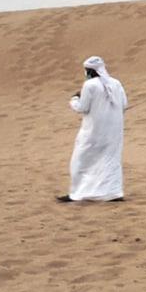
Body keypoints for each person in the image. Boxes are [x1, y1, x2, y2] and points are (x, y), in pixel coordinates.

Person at [57, 56, 128, 203]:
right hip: (114, 131)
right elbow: (124, 104)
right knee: (111, 160)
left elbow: (82, 108)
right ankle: (114, 193)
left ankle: (76, 193)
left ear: (89, 71)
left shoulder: (89, 85)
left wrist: (74, 99)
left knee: (80, 159)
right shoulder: (116, 83)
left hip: (94, 132)